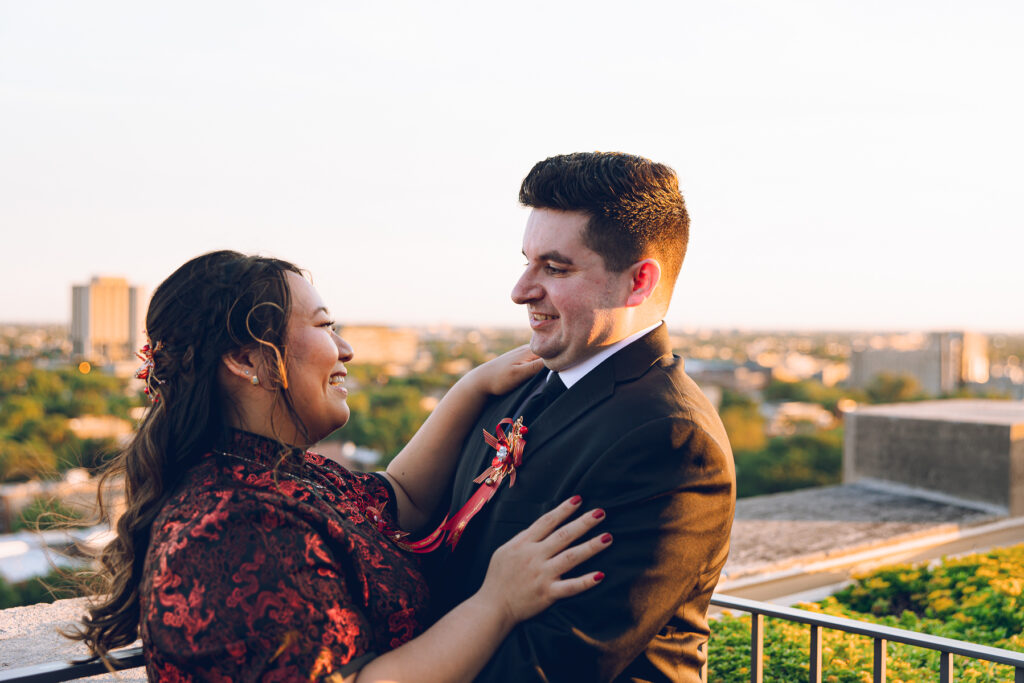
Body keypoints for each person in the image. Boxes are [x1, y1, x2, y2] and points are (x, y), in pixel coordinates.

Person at [70, 250, 611, 682]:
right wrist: (499, 602)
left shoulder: (279, 475)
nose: (345, 348)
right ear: (245, 358)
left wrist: (471, 387)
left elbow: (403, 498)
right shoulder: (234, 525)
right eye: (325, 325)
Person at [428, 152, 736, 682]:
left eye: (555, 267)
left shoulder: (671, 440)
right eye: (526, 261)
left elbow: (554, 666)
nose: (521, 290)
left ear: (638, 282)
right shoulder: (518, 385)